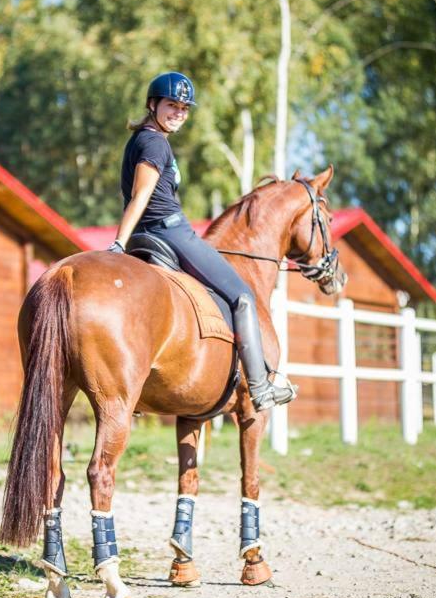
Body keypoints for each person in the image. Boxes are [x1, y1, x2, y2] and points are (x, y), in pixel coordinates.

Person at [108, 72, 296, 412]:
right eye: (171, 106)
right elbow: (140, 196)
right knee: (242, 296)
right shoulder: (155, 143)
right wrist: (118, 244)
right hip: (171, 232)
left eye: (183, 108)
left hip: (149, 233)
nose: (178, 113)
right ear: (153, 105)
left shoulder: (141, 138)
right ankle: (260, 387)